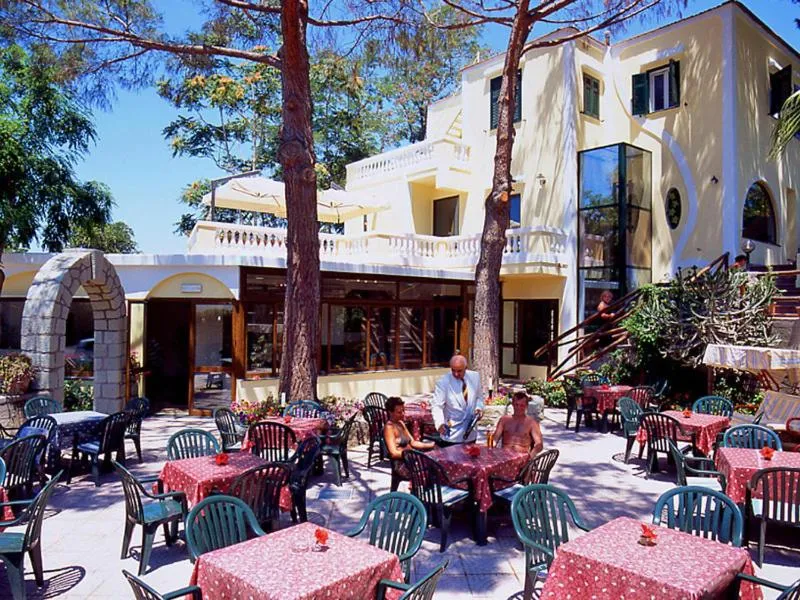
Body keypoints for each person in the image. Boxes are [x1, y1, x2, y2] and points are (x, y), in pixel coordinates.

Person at [383, 396, 435, 490]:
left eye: (403, 410)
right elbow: (393, 453)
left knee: (435, 461)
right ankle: (421, 496)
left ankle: (427, 496)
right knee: (430, 468)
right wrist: (412, 455)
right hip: (402, 464)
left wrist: (431, 445)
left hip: (411, 459)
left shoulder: (400, 423)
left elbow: (413, 442)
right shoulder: (389, 428)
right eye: (399, 412)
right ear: (390, 412)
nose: (403, 414)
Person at [431, 354, 484, 444]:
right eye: (453, 370)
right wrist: (440, 423)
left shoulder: (475, 377)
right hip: (452, 433)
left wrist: (479, 408)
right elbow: (437, 406)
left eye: (459, 371)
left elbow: (479, 397)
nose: (456, 374)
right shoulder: (443, 382)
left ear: (466, 368)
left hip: (470, 432)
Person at [492, 391, 544, 455]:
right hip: (504, 457)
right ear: (513, 404)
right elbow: (494, 440)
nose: (518, 408)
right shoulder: (504, 420)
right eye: (516, 404)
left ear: (526, 406)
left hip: (522, 458)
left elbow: (539, 444)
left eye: (522, 405)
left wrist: (531, 456)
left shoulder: (532, 423)